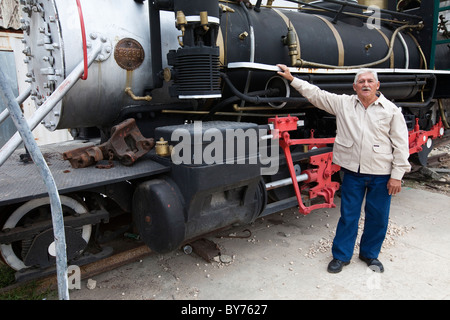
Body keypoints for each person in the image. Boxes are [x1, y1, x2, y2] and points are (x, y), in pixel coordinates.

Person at [276, 64, 411, 273]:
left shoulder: (391, 111)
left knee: (378, 217)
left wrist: (397, 176)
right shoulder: (344, 104)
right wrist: (293, 79)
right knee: (349, 216)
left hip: (381, 175)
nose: (365, 85)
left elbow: (401, 145)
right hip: (353, 173)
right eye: (361, 82)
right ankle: (341, 256)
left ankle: (370, 255)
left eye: (369, 81)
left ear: (377, 85)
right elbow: (316, 95)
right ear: (354, 86)